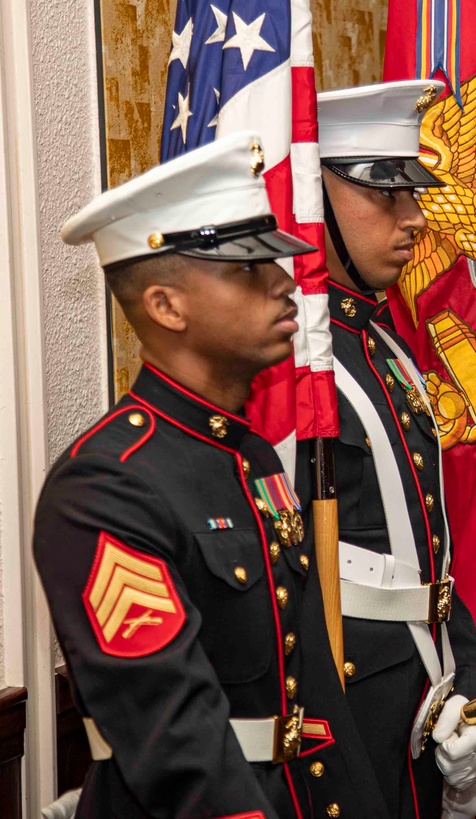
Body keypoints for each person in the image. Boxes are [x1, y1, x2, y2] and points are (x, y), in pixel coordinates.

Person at [36, 131, 389, 817]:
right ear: (167, 306)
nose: (286, 285)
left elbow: (308, 674)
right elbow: (175, 737)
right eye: (249, 270)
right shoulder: (107, 486)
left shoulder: (250, 454)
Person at [306, 79, 476, 819]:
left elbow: (432, 549)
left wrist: (467, 686)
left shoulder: (384, 342)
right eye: (384, 195)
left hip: (422, 698)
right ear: (306, 195)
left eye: (410, 193)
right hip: (348, 718)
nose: (415, 217)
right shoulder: (288, 370)